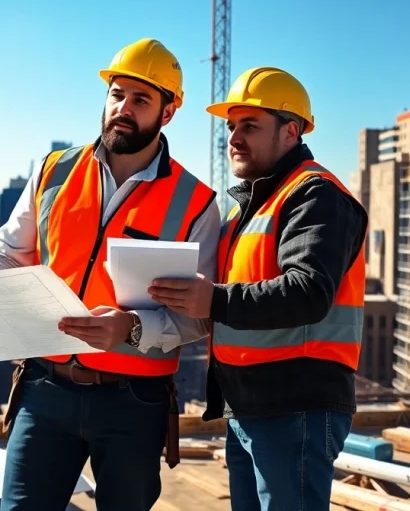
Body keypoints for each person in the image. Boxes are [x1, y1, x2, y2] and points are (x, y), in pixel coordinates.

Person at [0, 38, 220, 511]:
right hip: (45, 388)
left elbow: (197, 318)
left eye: (141, 99)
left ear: (167, 113)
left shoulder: (196, 202)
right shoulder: (54, 171)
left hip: (134, 402)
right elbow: (9, 254)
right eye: (117, 94)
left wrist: (131, 328)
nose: (124, 107)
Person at [148, 66, 368, 510]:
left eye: (249, 126)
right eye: (231, 126)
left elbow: (308, 291)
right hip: (250, 408)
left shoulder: (315, 194)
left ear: (290, 131)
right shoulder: (251, 207)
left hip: (295, 405)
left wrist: (212, 298)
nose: (233, 137)